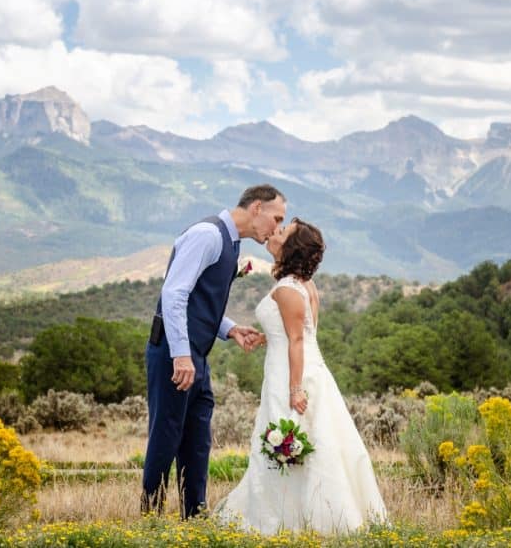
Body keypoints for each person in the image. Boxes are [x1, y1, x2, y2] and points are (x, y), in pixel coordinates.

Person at [218, 218, 388, 533]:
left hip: (291, 374)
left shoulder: (286, 289)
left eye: (283, 232)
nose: (275, 232)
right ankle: (300, 517)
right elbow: (301, 332)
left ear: (291, 247)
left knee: (293, 439)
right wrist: (265, 336)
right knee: (313, 443)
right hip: (304, 367)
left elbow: (298, 340)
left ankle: (287, 520)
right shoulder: (303, 285)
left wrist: (295, 390)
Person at [142, 184, 287, 519]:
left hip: (196, 355)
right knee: (165, 437)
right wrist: (180, 355)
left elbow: (198, 300)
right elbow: (175, 294)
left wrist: (230, 329)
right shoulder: (208, 235)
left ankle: (194, 519)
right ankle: (149, 523)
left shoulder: (230, 244)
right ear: (256, 208)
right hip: (173, 352)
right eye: (276, 217)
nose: (277, 227)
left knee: (197, 441)